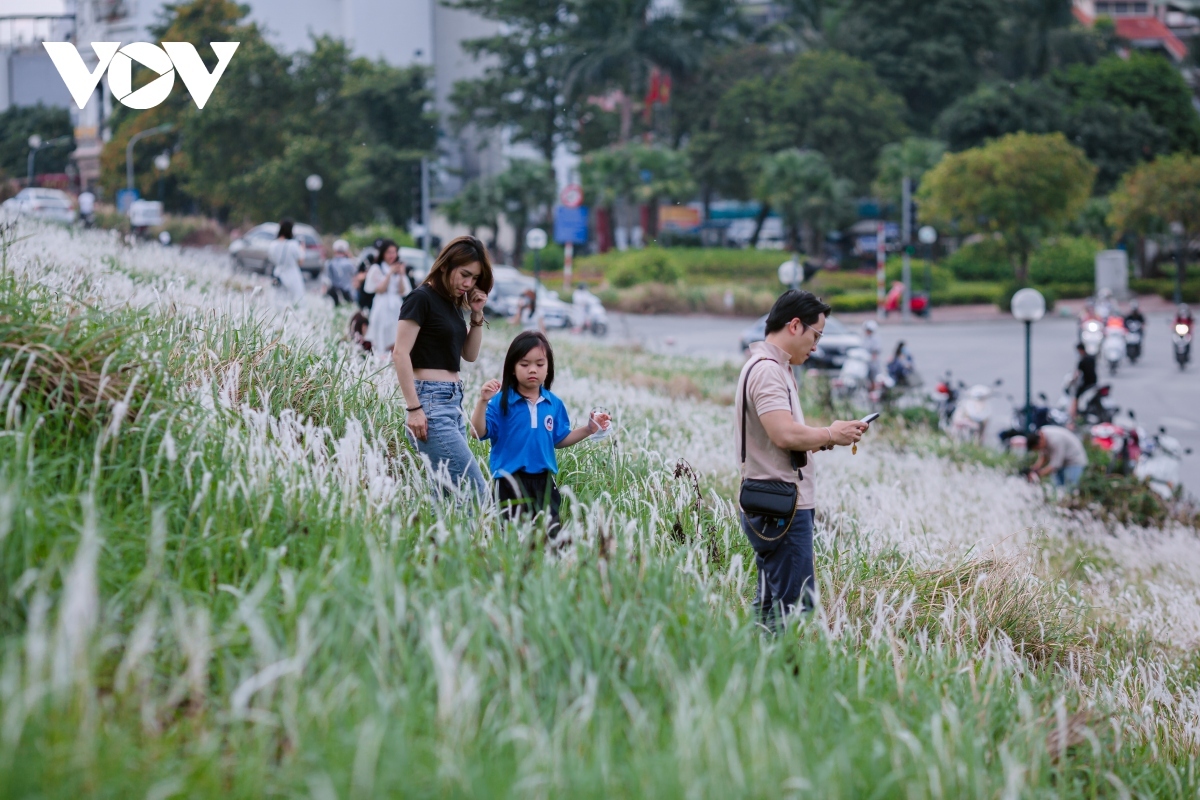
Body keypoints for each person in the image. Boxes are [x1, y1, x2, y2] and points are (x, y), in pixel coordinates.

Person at [736, 290, 869, 631]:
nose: (816, 346)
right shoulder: (768, 371)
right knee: (792, 606)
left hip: (776, 501)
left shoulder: (774, 366)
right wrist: (829, 434)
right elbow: (783, 435)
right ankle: (771, 672)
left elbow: (784, 436)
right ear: (795, 326)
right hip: (781, 504)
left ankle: (752, 668)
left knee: (772, 602)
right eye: (816, 335)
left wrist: (828, 438)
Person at [471, 331, 611, 537]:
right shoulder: (500, 402)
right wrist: (482, 401)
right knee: (512, 538)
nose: (532, 370)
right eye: (524, 364)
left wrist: (589, 429)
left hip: (544, 482)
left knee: (551, 537)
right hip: (509, 481)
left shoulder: (553, 403)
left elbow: (559, 439)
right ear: (512, 368)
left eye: (539, 364)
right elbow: (477, 432)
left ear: (548, 368)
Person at [394, 235, 494, 502]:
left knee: (448, 498)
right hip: (430, 404)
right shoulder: (420, 298)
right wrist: (413, 408)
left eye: (474, 278)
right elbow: (400, 353)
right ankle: (475, 542)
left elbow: (469, 355)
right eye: (465, 274)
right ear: (445, 265)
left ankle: (442, 543)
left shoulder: (451, 303)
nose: (468, 283)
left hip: (453, 405)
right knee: (477, 492)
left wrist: (475, 315)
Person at [365, 239, 411, 354]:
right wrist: (389, 273)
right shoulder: (377, 268)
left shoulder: (399, 268)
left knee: (396, 333)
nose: (392, 255)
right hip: (382, 304)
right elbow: (380, 289)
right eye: (389, 252)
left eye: (394, 252)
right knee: (381, 332)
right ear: (383, 253)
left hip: (395, 305)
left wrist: (400, 275)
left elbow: (403, 290)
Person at [1026, 426, 1088, 490]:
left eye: (1038, 448)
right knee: (1058, 488)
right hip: (1063, 461)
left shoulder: (1055, 440)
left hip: (1074, 460)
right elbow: (1043, 456)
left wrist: (1038, 474)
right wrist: (1034, 469)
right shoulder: (1041, 436)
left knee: (1071, 487)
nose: (1039, 450)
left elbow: (1055, 465)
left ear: (1040, 441)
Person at [267, 219, 305, 304]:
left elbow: (271, 259)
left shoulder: (273, 244)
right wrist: (302, 248)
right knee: (297, 301)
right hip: (292, 275)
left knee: (279, 301)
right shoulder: (293, 244)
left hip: (278, 274)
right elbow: (300, 262)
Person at [1068, 342, 1098, 425]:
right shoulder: (1091, 358)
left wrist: (1072, 381)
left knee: (1076, 397)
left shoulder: (1082, 361)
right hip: (1094, 382)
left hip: (1087, 383)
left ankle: (1073, 418)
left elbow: (1077, 374)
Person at [324, 239, 356, 306]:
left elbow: (326, 279)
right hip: (348, 291)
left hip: (334, 291)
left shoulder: (330, 263)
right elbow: (355, 274)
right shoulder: (350, 263)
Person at [861, 319, 882, 384]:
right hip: (865, 362)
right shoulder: (866, 338)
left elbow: (876, 351)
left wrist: (872, 358)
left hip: (873, 363)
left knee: (873, 378)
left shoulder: (875, 339)